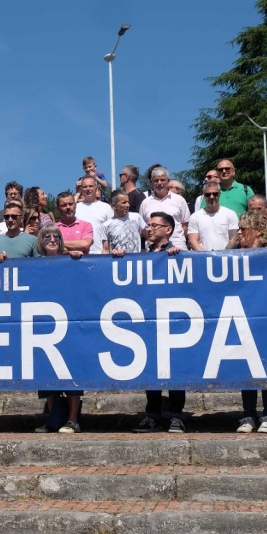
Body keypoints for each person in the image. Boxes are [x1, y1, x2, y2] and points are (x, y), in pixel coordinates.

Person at [134, 212, 186, 433]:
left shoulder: (179, 255)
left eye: (155, 225)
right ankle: (152, 413)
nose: (150, 228)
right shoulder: (141, 256)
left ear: (169, 230)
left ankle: (176, 415)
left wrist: (178, 256)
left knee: (175, 370)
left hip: (173, 322)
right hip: (148, 320)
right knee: (151, 370)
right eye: (149, 225)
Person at [234, 211, 267, 434]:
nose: (239, 232)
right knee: (245, 366)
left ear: (258, 231)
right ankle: (248, 414)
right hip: (242, 317)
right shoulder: (231, 256)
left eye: (244, 228)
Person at [35, 225, 84, 433]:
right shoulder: (32, 265)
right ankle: (54, 420)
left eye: (56, 236)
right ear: (41, 241)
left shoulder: (72, 261)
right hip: (43, 326)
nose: (52, 239)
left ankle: (73, 419)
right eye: (47, 236)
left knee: (73, 373)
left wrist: (77, 257)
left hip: (70, 325)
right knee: (45, 374)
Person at [139, 166, 190, 249]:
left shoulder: (179, 200)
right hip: (153, 249)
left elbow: (185, 224)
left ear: (168, 181)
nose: (159, 183)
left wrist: (178, 239)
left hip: (177, 246)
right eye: (156, 180)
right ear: (151, 182)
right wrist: (150, 239)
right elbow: (142, 227)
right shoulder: (145, 203)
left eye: (162, 180)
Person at [187, 182, 238, 251]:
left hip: (225, 257)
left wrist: (222, 255)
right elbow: (193, 241)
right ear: (204, 195)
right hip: (203, 257)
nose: (211, 197)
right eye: (208, 194)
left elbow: (234, 239)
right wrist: (206, 256)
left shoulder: (230, 214)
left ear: (219, 194)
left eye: (215, 194)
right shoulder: (195, 216)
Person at [75, 176, 113, 254]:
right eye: (85, 186)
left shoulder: (106, 207)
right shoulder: (76, 208)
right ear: (81, 189)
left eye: (91, 186)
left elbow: (112, 231)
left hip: (101, 253)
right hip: (80, 253)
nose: (88, 189)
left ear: (96, 188)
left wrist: (108, 250)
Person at [101, 189, 146, 256]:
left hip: (136, 261)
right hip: (117, 262)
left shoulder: (136, 217)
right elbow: (105, 250)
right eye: (124, 202)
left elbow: (149, 237)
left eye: (128, 202)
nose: (128, 205)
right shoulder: (106, 225)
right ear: (114, 205)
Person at [54, 191, 92, 257]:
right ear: (58, 208)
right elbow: (49, 248)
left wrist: (58, 243)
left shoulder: (86, 225)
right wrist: (76, 247)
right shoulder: (53, 228)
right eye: (64, 205)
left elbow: (85, 244)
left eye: (70, 204)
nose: (68, 207)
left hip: (82, 265)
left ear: (75, 205)